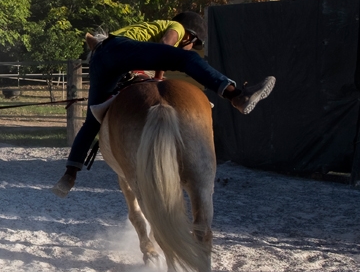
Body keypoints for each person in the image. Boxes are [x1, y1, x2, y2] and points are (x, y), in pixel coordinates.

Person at [52, 11, 275, 197]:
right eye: (193, 44)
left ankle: (69, 175)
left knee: (92, 120)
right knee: (186, 60)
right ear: (189, 36)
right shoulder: (177, 27)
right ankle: (236, 95)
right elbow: (167, 46)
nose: (190, 46)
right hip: (119, 50)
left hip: (102, 59)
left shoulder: (132, 32)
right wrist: (159, 79)